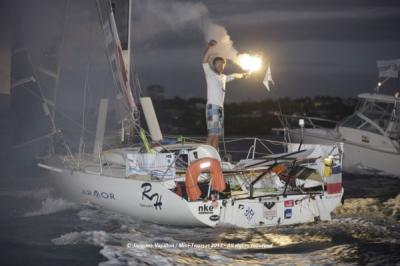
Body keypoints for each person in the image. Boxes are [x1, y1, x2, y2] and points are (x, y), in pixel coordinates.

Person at [202, 40, 247, 149]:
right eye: (218, 63)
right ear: (214, 65)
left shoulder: (223, 77)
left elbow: (235, 75)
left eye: (222, 64)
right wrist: (209, 47)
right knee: (212, 134)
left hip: (220, 108)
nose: (220, 65)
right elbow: (204, 61)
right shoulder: (210, 74)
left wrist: (244, 75)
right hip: (212, 107)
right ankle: (203, 157)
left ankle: (216, 159)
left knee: (217, 135)